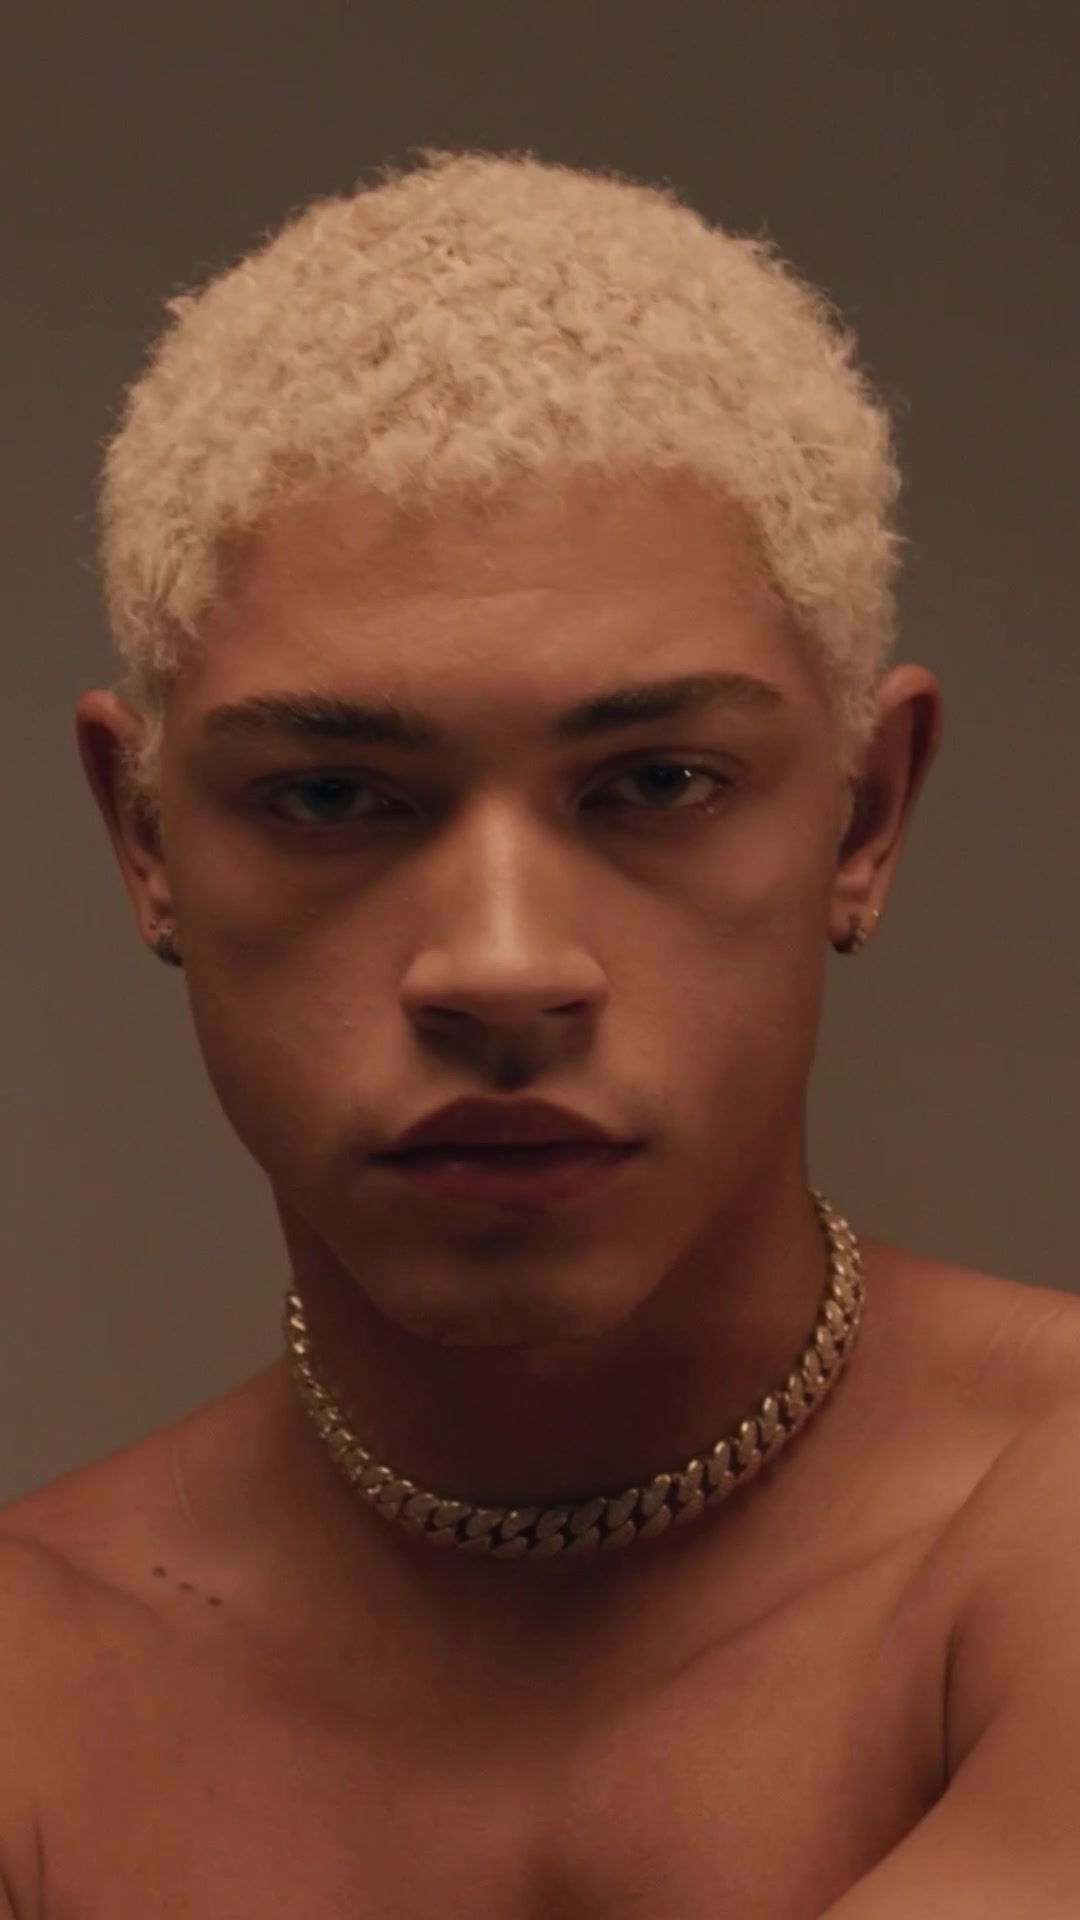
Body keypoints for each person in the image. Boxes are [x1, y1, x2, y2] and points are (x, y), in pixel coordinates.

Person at [3, 147, 1079, 1919]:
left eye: (656, 783)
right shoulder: (33, 1681)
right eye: (332, 794)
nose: (501, 967)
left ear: (867, 811)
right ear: (147, 838)